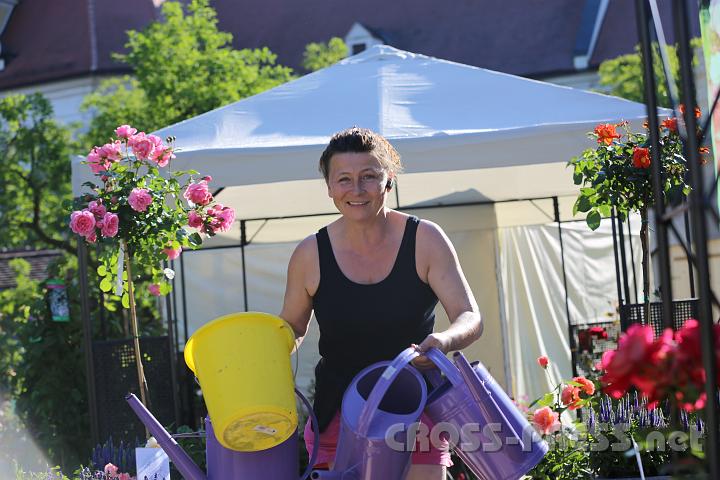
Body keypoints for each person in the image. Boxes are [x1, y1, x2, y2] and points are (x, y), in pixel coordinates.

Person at [280, 127, 483, 480]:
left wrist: (444, 341)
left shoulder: (426, 239)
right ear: (329, 187)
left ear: (388, 181)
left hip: (416, 409)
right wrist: (253, 354)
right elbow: (291, 329)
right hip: (337, 415)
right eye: (343, 179)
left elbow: (469, 315)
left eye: (369, 177)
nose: (356, 190)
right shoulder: (309, 254)